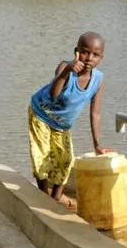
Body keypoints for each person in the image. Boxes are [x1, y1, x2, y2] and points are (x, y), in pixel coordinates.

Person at [28, 31, 112, 202]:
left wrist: (97, 144)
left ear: (101, 58)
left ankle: (56, 197)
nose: (89, 58)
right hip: (41, 114)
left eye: (95, 55)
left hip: (62, 125)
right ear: (76, 51)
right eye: (85, 52)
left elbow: (95, 113)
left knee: (66, 160)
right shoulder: (64, 67)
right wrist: (66, 71)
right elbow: (53, 94)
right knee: (42, 155)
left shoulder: (98, 80)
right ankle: (44, 196)